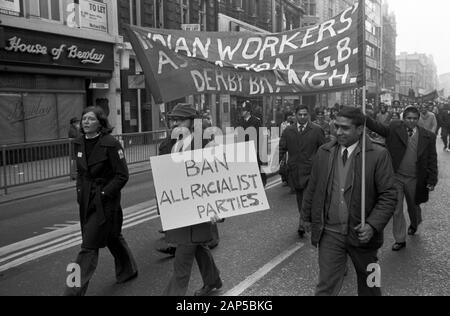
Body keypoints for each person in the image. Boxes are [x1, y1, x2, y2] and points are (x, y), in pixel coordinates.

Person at [302, 106, 396, 296]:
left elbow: (389, 195)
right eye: (336, 126)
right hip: (330, 233)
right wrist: (306, 216)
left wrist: (372, 225)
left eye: (345, 128)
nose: (338, 132)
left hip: (363, 235)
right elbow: (313, 187)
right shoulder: (324, 151)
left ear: (360, 129)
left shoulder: (378, 154)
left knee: (371, 286)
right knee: (325, 286)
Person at [64, 107, 138, 296]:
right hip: (87, 198)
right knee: (112, 235)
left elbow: (122, 176)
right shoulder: (79, 142)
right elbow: (81, 172)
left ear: (100, 123)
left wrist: (104, 193)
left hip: (105, 200)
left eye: (90, 119)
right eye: (84, 119)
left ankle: (72, 292)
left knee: (88, 246)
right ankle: (128, 269)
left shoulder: (111, 143)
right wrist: (80, 191)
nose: (85, 122)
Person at [163, 103, 222, 297]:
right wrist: (163, 204)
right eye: (174, 119)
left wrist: (217, 208)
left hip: (200, 205)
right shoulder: (168, 143)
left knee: (184, 252)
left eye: (180, 119)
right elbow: (163, 176)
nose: (176, 123)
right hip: (180, 204)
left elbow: (217, 175)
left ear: (192, 121)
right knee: (196, 245)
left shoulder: (206, 142)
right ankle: (213, 280)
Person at [366, 106, 438, 251]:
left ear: (418, 120)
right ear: (403, 118)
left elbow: (432, 159)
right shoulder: (394, 128)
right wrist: (364, 118)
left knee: (413, 205)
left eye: (414, 118)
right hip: (396, 177)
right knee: (396, 209)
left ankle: (415, 223)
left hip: (415, 178)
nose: (411, 121)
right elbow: (379, 128)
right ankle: (400, 239)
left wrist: (432, 180)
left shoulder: (428, 136)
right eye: (408, 118)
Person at [279, 105, 326, 238]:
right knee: (300, 199)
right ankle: (304, 218)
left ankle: (302, 222)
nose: (302, 117)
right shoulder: (288, 131)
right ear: (295, 115)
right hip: (294, 171)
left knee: (306, 197)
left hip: (311, 171)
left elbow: (323, 149)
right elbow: (282, 149)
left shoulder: (317, 130)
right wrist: (278, 163)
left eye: (305, 114)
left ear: (309, 115)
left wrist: (322, 167)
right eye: (300, 114)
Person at [237, 101, 267, 187]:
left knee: (257, 167)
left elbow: (260, 136)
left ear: (248, 111)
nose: (242, 112)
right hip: (243, 150)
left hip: (254, 149)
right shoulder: (239, 121)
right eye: (241, 110)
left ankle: (262, 182)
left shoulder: (256, 121)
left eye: (244, 110)